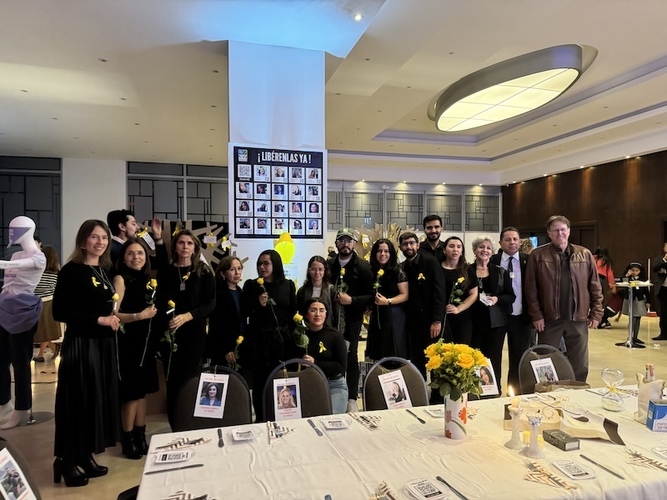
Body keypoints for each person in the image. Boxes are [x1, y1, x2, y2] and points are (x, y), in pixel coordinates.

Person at [52, 220, 121, 487]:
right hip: (81, 345)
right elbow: (60, 312)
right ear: (83, 241)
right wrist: (98, 319)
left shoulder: (104, 269)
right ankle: (65, 460)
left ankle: (84, 453)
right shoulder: (71, 270)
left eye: (104, 237)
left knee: (94, 402)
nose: (100, 242)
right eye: (94, 237)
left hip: (103, 345)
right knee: (76, 402)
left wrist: (112, 317)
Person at [525, 215, 603, 382]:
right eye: (555, 230)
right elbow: (531, 289)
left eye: (562, 229)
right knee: (545, 359)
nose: (559, 233)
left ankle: (578, 389)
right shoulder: (538, 255)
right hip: (549, 319)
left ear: (568, 231)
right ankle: (546, 391)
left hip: (578, 319)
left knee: (579, 363)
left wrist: (596, 313)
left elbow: (595, 286)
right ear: (549, 233)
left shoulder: (584, 254)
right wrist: (536, 315)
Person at [155, 229, 216, 429]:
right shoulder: (166, 272)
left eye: (189, 243)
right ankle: (175, 426)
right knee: (172, 381)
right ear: (175, 246)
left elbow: (210, 303)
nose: (185, 247)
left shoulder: (203, 272)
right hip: (170, 334)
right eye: (181, 242)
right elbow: (160, 302)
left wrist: (188, 316)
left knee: (189, 380)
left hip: (194, 333)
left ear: (195, 248)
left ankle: (191, 425)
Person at [112, 237, 163, 459]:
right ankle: (127, 439)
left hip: (146, 343)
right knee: (131, 393)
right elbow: (113, 313)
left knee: (142, 393)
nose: (136, 257)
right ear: (123, 257)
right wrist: (138, 316)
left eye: (140, 253)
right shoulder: (120, 279)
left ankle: (141, 436)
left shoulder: (148, 280)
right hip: (128, 343)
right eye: (131, 253)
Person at [0, 216, 46, 430]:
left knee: (20, 362)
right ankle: (4, 403)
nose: (12, 233)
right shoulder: (16, 254)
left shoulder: (38, 257)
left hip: (22, 312)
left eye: (15, 229)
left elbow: (16, 265)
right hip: (4, 308)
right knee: (1, 358)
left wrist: (4, 264)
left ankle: (22, 408)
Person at [243, 250, 297, 420]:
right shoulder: (252, 285)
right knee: (261, 383)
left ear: (276, 264)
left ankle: (283, 416)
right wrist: (258, 304)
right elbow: (245, 312)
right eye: (260, 263)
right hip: (260, 342)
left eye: (266, 263)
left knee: (283, 380)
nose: (262, 267)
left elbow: (292, 312)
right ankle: (261, 418)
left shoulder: (288, 285)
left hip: (283, 341)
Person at [328, 228, 374, 413]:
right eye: (341, 240)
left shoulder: (363, 267)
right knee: (331, 356)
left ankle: (352, 398)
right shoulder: (329, 265)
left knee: (351, 356)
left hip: (352, 319)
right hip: (331, 319)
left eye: (349, 241)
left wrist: (352, 301)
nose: (345, 244)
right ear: (336, 243)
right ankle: (332, 394)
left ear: (354, 243)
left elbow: (371, 296)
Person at [470, 237, 515, 394]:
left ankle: (494, 390)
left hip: (496, 323)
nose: (485, 250)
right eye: (481, 247)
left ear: (493, 252)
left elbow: (511, 296)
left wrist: (497, 299)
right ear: (475, 250)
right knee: (474, 358)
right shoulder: (467, 270)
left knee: (494, 358)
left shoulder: (501, 272)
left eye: (488, 248)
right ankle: (474, 391)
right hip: (473, 321)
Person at [399, 231, 446, 379]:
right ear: (400, 247)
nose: (409, 247)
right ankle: (420, 389)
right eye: (405, 244)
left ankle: (436, 392)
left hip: (430, 320)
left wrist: (437, 320)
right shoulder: (402, 267)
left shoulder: (430, 262)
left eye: (412, 243)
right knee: (417, 358)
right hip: (412, 321)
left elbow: (439, 291)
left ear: (418, 245)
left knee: (434, 359)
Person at [489, 227, 531, 393]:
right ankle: (493, 390)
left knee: (518, 356)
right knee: (493, 355)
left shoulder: (529, 261)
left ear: (520, 242)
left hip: (520, 316)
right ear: (501, 243)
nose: (512, 242)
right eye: (507, 239)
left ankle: (514, 391)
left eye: (515, 239)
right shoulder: (492, 260)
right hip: (498, 317)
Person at [301, 298, 348, 414]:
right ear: (306, 314)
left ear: (326, 314)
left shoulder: (335, 336)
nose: (318, 314)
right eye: (313, 310)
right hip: (308, 384)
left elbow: (341, 367)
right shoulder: (301, 335)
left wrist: (315, 363)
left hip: (334, 385)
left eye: (322, 310)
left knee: (332, 418)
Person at [366, 238, 409, 361]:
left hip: (393, 315)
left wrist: (388, 301)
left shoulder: (397, 270)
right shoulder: (371, 270)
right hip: (377, 315)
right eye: (379, 251)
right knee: (377, 354)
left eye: (386, 251)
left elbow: (405, 295)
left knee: (393, 352)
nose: (383, 254)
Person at [206, 256, 247, 375]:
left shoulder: (240, 291)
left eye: (239, 268)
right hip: (223, 348)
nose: (237, 272)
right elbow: (218, 324)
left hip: (239, 345)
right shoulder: (218, 293)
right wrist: (226, 348)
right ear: (223, 273)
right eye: (232, 269)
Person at [440, 236, 478, 345]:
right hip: (442, 317)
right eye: (451, 246)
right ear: (444, 250)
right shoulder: (437, 268)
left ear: (462, 251)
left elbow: (474, 294)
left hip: (462, 317)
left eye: (458, 247)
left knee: (461, 349)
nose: (455, 249)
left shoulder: (468, 270)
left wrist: (458, 309)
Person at [296, 256, 344, 335]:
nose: (317, 272)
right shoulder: (302, 291)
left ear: (325, 270)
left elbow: (338, 315)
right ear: (309, 270)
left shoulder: (332, 290)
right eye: (313, 269)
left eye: (320, 269)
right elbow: (300, 312)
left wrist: (338, 334)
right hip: (308, 331)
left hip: (328, 331)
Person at [33, 245, 61, 362]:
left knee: (42, 330)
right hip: (49, 302)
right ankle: (53, 347)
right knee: (44, 330)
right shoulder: (57, 273)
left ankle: (41, 354)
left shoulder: (38, 272)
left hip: (41, 302)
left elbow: (35, 287)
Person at [619, 262, 649, 347]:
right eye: (633, 270)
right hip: (630, 300)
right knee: (632, 319)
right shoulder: (628, 278)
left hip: (639, 300)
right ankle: (630, 337)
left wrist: (648, 301)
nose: (635, 272)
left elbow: (646, 291)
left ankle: (635, 337)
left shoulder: (642, 279)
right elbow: (621, 281)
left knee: (638, 318)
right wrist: (626, 275)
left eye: (637, 271)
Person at [593, 247, 617, 329]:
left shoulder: (592, 258)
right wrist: (612, 286)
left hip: (591, 278)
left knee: (593, 299)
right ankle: (600, 321)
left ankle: (594, 319)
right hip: (600, 279)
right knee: (599, 300)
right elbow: (610, 274)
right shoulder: (606, 261)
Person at [653, 242, 667, 341]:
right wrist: (665, 260)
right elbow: (655, 268)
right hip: (663, 289)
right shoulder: (659, 259)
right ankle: (663, 334)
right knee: (663, 312)